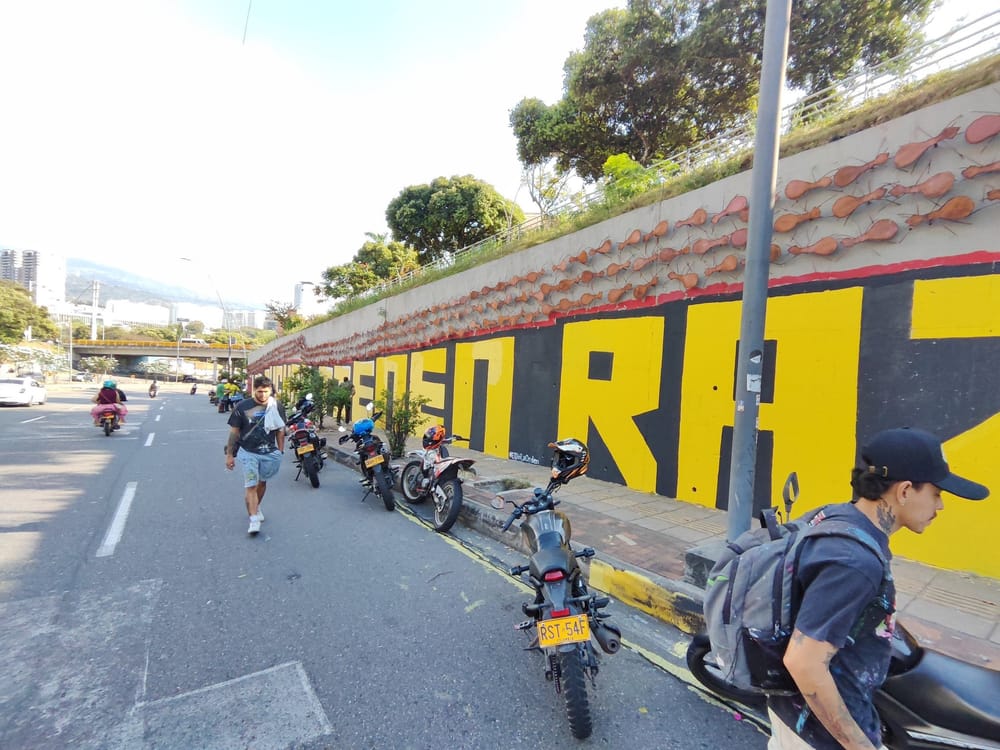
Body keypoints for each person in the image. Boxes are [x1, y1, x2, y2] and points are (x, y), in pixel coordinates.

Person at [767, 427, 989, 750]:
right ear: (905, 491)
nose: (940, 507)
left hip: (799, 717)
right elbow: (804, 662)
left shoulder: (838, 516)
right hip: (816, 735)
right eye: (937, 494)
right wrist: (859, 745)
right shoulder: (856, 562)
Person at [225, 375, 286, 535]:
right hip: (248, 451)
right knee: (251, 485)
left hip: (269, 452)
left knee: (262, 483)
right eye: (259, 392)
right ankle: (253, 519)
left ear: (271, 391)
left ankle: (256, 507)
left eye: (266, 392)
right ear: (254, 390)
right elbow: (234, 432)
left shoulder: (276, 406)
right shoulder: (242, 407)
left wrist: (280, 451)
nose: (263, 395)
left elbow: (280, 430)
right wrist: (229, 455)